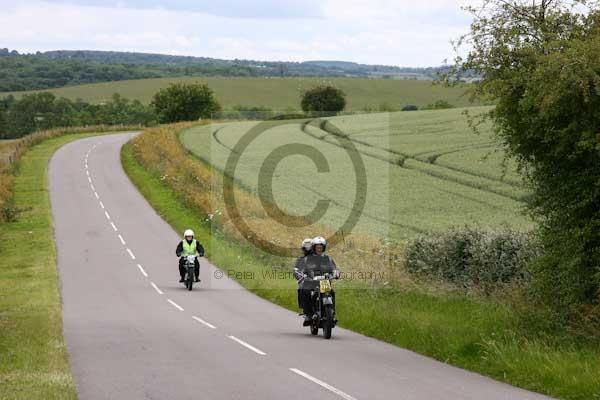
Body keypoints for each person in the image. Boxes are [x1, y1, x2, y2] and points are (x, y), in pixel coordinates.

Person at [296, 236, 340, 325]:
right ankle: (308, 314)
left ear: (324, 248)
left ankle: (332, 313)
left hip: (325, 281)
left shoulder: (328, 259)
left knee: (331, 292)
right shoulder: (307, 259)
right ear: (313, 247)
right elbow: (298, 269)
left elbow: (334, 268)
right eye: (317, 247)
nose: (319, 249)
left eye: (321, 247)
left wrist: (336, 273)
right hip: (311, 282)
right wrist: (301, 275)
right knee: (304, 291)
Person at [294, 238, 313, 311]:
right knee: (302, 288)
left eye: (310, 249)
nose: (307, 251)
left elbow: (330, 266)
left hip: (321, 279)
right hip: (308, 280)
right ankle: (307, 311)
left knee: (330, 291)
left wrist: (334, 272)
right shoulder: (301, 259)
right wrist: (300, 277)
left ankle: (331, 310)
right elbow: (296, 269)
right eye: (305, 249)